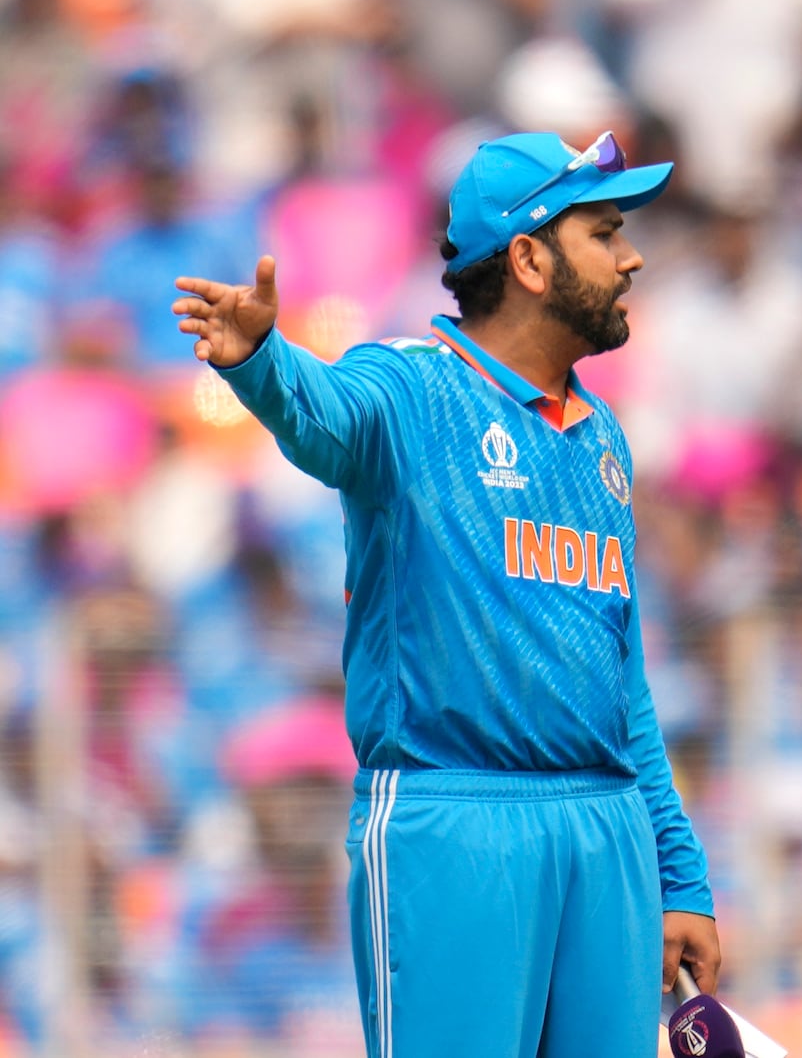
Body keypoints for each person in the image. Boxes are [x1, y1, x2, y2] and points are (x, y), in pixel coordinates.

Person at [171, 130, 721, 1058]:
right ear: (531, 259)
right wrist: (261, 361)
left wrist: (681, 873)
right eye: (605, 233)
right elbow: (324, 418)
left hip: (606, 830)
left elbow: (624, 688)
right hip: (454, 825)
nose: (630, 258)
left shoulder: (604, 442)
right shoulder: (412, 389)